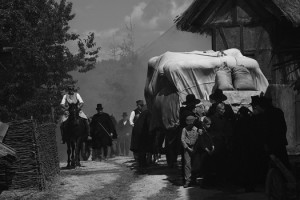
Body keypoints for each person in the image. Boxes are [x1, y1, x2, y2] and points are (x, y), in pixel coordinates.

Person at [251, 95, 291, 169]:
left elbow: (265, 132)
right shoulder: (278, 112)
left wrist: (267, 147)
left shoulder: (265, 116)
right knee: (284, 166)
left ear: (260, 106)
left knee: (274, 169)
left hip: (271, 146)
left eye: (256, 107)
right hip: (280, 143)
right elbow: (284, 128)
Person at [181, 115, 202, 188]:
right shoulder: (184, 129)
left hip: (195, 148)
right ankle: (188, 180)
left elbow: (199, 139)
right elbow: (182, 140)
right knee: (187, 164)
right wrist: (188, 148)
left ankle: (194, 179)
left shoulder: (196, 129)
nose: (190, 125)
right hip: (187, 149)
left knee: (195, 165)